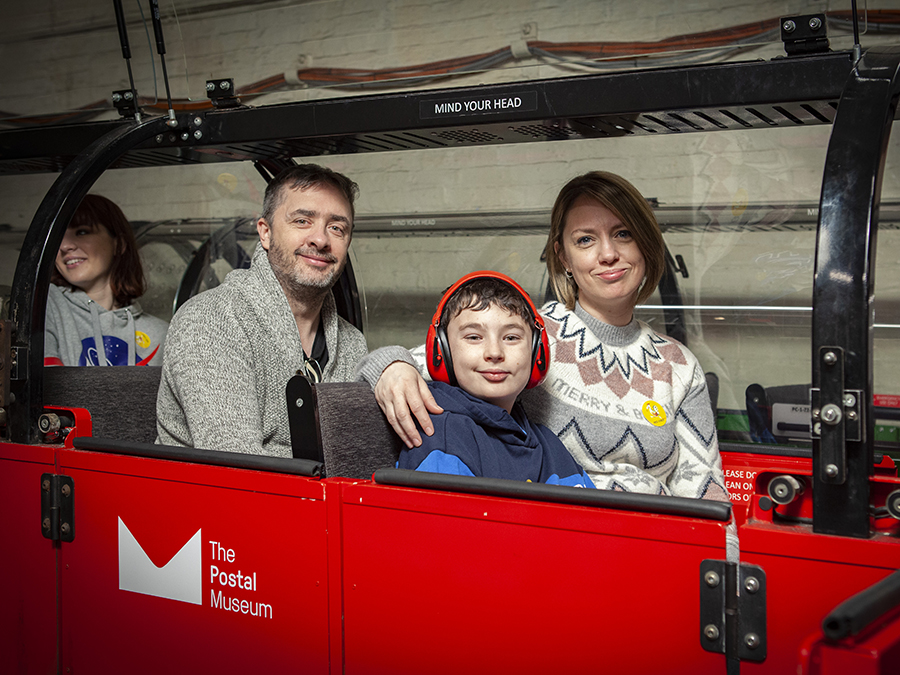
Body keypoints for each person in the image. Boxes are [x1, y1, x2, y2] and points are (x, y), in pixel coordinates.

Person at [357, 171, 730, 504]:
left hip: (659, 543)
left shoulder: (680, 366)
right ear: (563, 257)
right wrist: (391, 367)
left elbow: (705, 490)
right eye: (585, 240)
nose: (608, 254)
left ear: (646, 244)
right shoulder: (526, 336)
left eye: (623, 234)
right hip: (560, 535)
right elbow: (432, 359)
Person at [156, 164, 368, 457]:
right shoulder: (211, 321)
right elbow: (238, 469)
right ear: (265, 233)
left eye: (336, 228)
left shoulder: (352, 343)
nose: (320, 239)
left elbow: (361, 453)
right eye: (303, 220)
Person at [399, 271, 594, 488]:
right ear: (441, 351)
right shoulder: (441, 437)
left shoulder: (549, 446)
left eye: (511, 337)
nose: (494, 352)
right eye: (473, 337)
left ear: (537, 352)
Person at [45, 194, 168, 367]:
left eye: (82, 232)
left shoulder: (161, 335)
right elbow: (44, 391)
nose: (65, 246)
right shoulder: (43, 305)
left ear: (119, 244)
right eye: (58, 237)